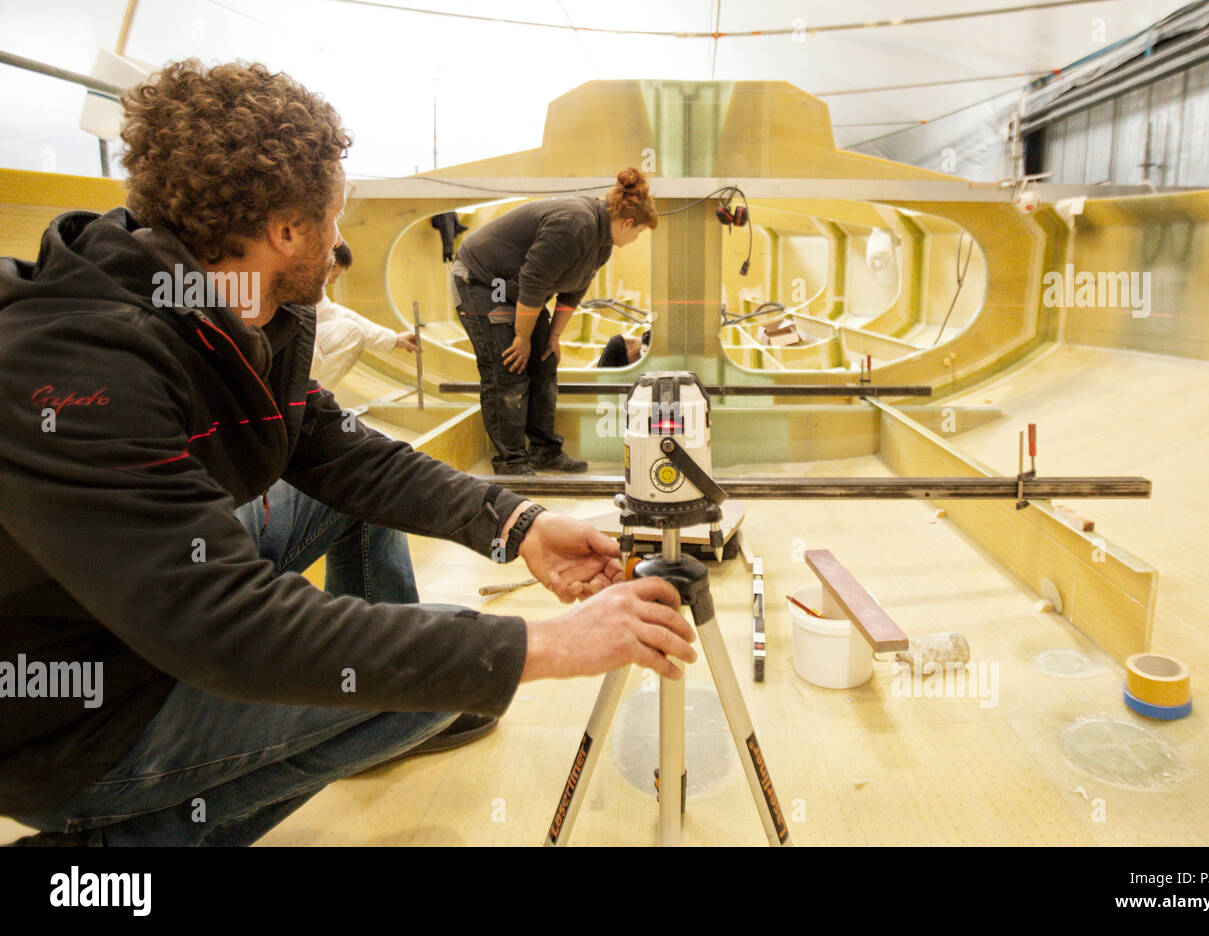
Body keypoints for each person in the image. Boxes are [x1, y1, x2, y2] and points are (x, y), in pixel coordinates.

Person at [0, 60, 695, 846]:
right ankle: (103, 856)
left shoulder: (248, 313)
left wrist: (517, 522)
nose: (339, 240)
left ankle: (351, 718)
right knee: (433, 681)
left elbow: (340, 454)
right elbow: (227, 628)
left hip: (142, 611)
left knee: (422, 665)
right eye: (334, 217)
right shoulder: (77, 367)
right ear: (285, 230)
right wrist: (541, 645)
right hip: (70, 722)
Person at [452, 168, 658, 475]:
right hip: (482, 283)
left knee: (545, 363)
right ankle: (511, 461)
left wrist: (554, 336)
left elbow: (573, 291)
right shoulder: (575, 224)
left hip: (518, 292)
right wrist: (522, 337)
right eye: (639, 232)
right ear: (628, 222)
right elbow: (534, 281)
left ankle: (544, 451)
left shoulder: (602, 241)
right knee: (509, 368)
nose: (636, 238)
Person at [312, 240, 420, 388]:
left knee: (349, 329)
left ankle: (310, 400)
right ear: (327, 263)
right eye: (334, 276)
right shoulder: (301, 285)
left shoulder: (313, 293)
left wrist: (393, 339)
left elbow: (336, 314)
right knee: (351, 332)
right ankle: (309, 402)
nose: (332, 282)